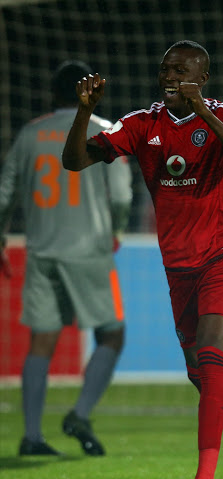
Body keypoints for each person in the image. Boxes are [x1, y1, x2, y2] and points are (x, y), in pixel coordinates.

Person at [62, 41, 223, 479]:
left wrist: (204, 115)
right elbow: (74, 162)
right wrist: (83, 111)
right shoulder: (141, 124)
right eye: (165, 69)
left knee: (212, 359)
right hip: (179, 266)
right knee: (199, 372)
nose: (169, 76)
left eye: (181, 70)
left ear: (203, 78)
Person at [0, 60, 132, 457]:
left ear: (51, 95)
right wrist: (116, 232)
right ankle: (80, 414)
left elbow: (4, 193)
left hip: (41, 250)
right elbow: (123, 196)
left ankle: (32, 436)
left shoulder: (29, 134)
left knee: (41, 341)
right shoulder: (106, 131)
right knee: (112, 333)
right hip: (90, 249)